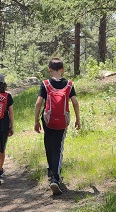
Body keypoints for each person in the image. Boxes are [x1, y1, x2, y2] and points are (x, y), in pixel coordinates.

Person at [34, 57, 81, 195]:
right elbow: (75, 102)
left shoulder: (45, 84)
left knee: (48, 143)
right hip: (62, 120)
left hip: (47, 120)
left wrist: (36, 121)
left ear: (49, 70)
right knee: (58, 147)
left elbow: (38, 103)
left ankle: (51, 170)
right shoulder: (69, 84)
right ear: (63, 70)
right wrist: (78, 119)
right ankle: (55, 177)